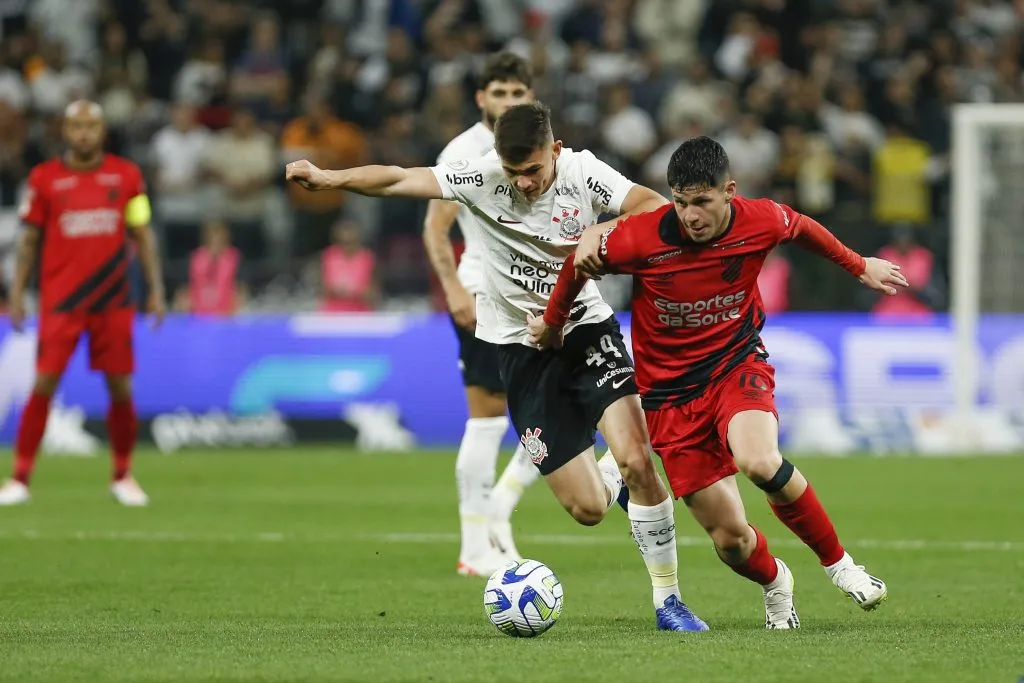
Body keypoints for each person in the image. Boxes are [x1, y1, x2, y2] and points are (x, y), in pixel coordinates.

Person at [287, 102, 708, 631]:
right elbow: (399, 179)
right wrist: (329, 178)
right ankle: (607, 474)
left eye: (534, 170)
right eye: (515, 173)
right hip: (519, 351)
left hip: (586, 330)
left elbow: (650, 206)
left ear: (554, 151)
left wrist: (595, 236)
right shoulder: (482, 177)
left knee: (639, 460)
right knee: (588, 509)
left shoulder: (582, 170)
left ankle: (668, 600)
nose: (525, 183)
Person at [531, 136, 903, 629]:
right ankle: (776, 584)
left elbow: (803, 226)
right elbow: (577, 265)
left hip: (735, 365)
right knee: (732, 542)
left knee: (759, 460)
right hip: (668, 398)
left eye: (702, 201)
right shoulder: (642, 238)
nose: (690, 215)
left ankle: (841, 566)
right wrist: (554, 324)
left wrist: (860, 266)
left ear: (729, 191)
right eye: (681, 202)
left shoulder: (760, 220)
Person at [0, 100, 166, 507]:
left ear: (102, 131)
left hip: (112, 302)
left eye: (91, 126)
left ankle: (123, 475)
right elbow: (28, 241)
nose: (84, 134)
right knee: (44, 383)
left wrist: (156, 288)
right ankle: (20, 479)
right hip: (61, 303)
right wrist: (17, 294)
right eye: (76, 127)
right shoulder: (44, 180)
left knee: (120, 386)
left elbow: (142, 233)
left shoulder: (127, 177)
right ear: (65, 132)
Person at [422, 52, 542, 576]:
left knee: (562, 419)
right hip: (482, 298)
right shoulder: (465, 151)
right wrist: (453, 289)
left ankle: (499, 512)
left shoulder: (541, 142)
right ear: (481, 98)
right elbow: (435, 227)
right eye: (500, 93)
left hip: (540, 300)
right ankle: (476, 543)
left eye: (518, 93)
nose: (509, 102)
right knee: (488, 420)